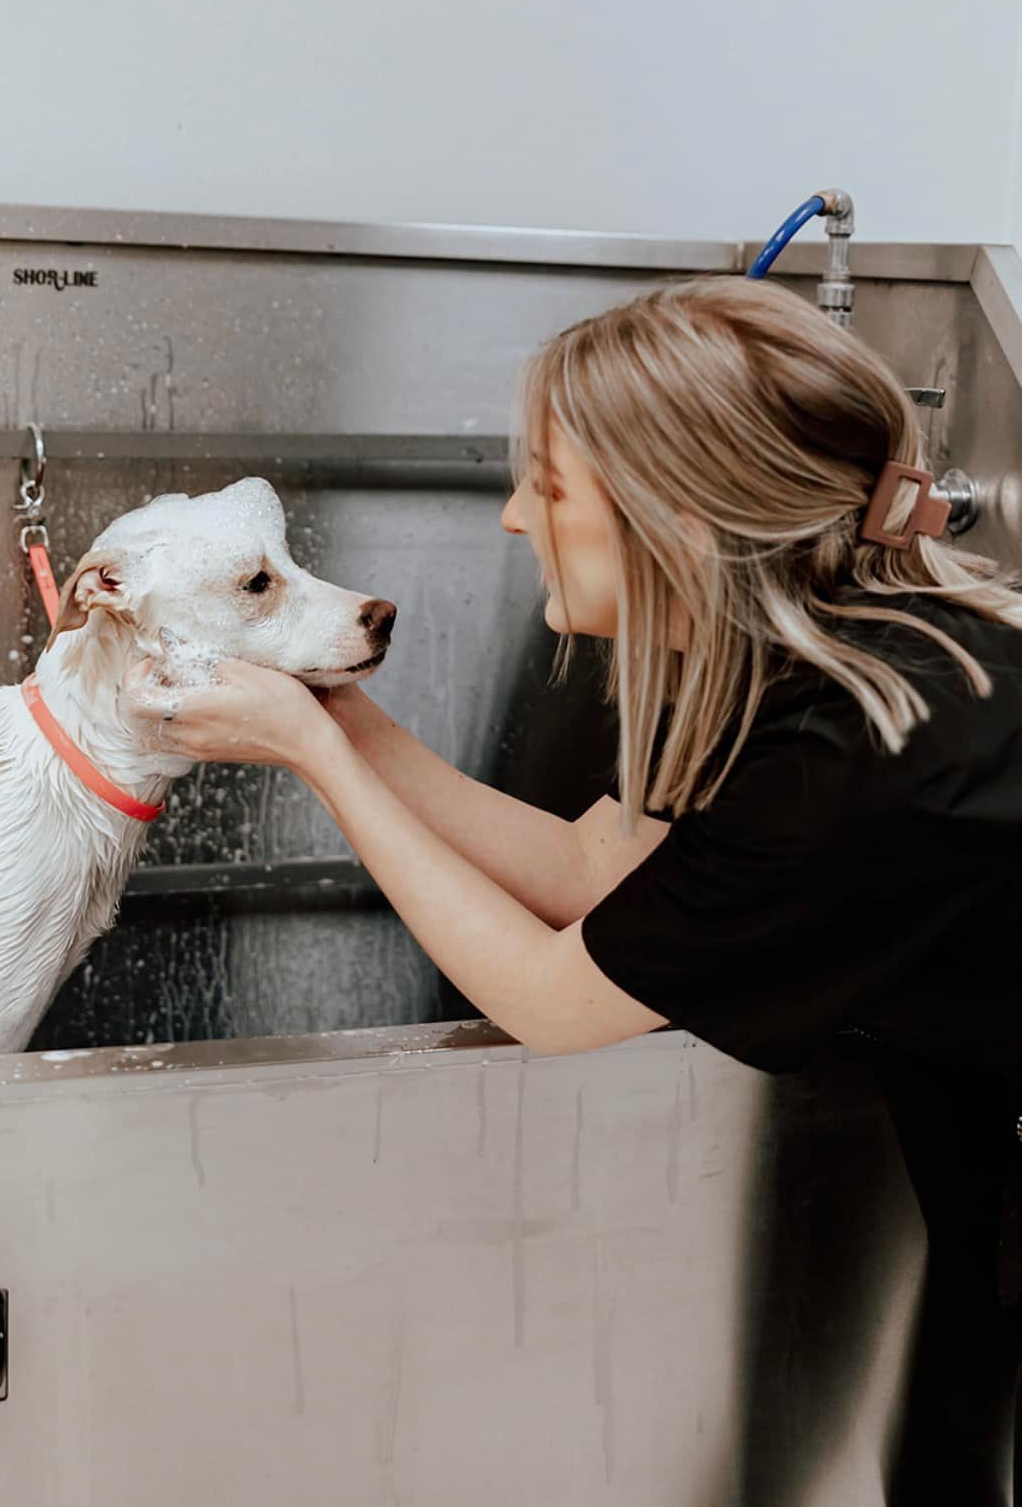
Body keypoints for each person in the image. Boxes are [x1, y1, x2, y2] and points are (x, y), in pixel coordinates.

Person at [125, 275, 1022, 1504]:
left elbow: (555, 998)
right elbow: (596, 871)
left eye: (547, 486)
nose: (510, 517)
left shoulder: (850, 763)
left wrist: (312, 754)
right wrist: (328, 700)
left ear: (679, 522)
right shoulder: (836, 650)